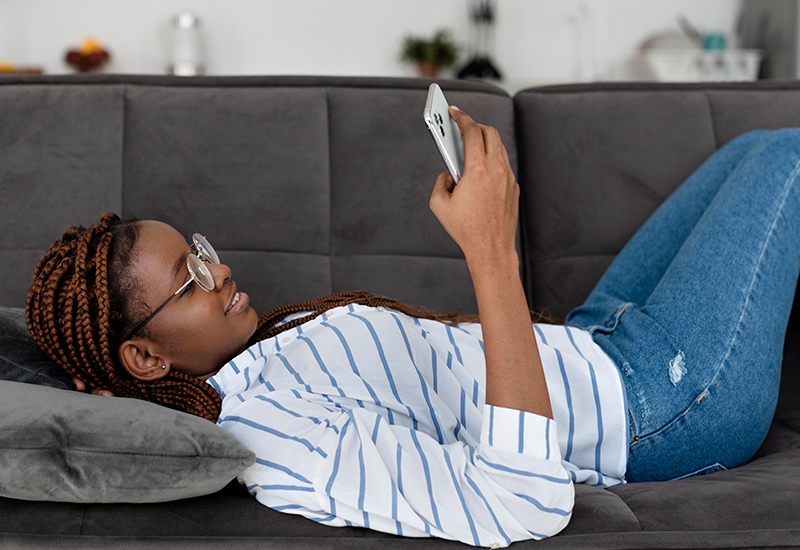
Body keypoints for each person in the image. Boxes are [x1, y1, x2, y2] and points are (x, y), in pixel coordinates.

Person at [24, 106, 799, 548]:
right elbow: (520, 501)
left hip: (594, 339)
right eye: (190, 280)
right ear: (145, 358)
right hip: (663, 403)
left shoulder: (263, 350)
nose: (218, 269)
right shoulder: (275, 435)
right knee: (788, 159)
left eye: (200, 251)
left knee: (750, 148)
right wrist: (492, 251)